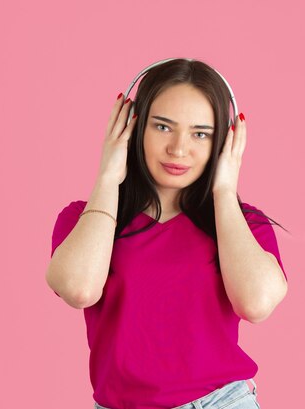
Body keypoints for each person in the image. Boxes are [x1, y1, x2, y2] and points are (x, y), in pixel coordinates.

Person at [46, 59, 289, 409]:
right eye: (162, 127)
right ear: (134, 126)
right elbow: (78, 289)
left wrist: (223, 192)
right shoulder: (86, 219)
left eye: (200, 134)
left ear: (224, 140)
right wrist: (107, 179)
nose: (178, 148)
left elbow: (257, 304)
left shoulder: (244, 225)